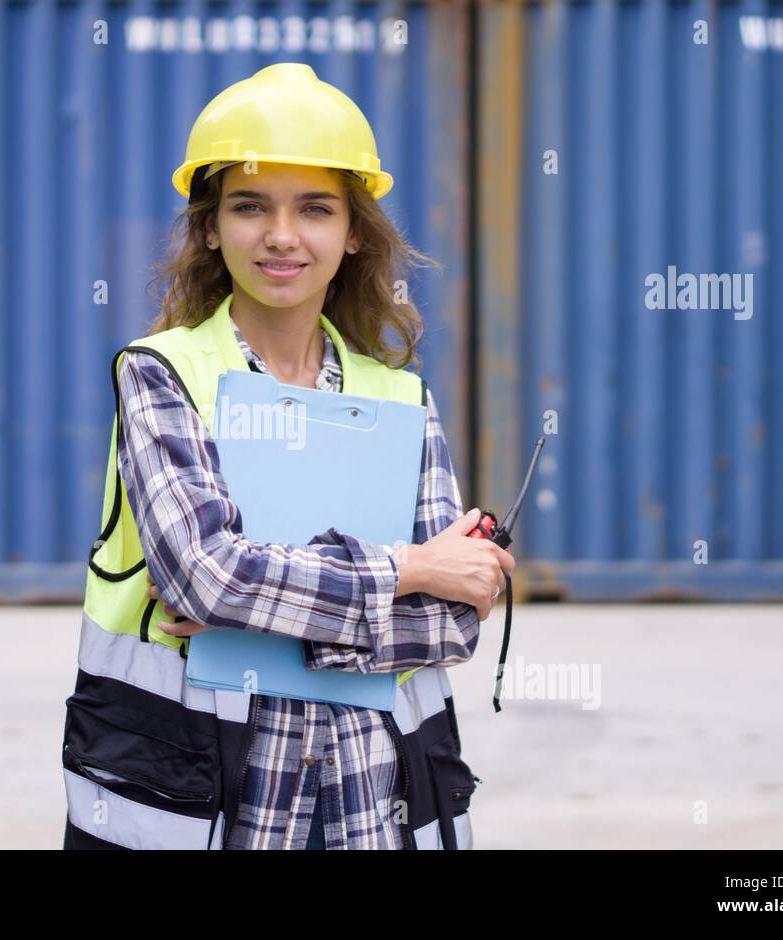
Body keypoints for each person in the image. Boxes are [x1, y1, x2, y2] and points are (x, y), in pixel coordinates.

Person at [62, 63, 513, 851]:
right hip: (203, 794)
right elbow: (206, 575)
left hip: (372, 794)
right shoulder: (163, 373)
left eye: (314, 208)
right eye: (249, 207)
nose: (281, 235)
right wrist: (409, 570)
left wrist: (248, 621)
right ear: (209, 226)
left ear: (351, 233)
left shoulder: (399, 398)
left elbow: (455, 625)